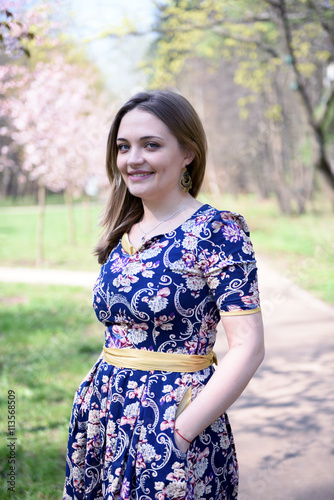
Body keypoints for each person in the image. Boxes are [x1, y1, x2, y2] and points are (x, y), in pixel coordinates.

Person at [63, 90, 264, 500]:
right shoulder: (125, 231)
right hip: (105, 413)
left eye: (150, 145)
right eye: (124, 147)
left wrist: (182, 432)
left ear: (188, 152)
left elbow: (248, 347)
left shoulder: (217, 232)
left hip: (175, 419)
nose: (132, 159)